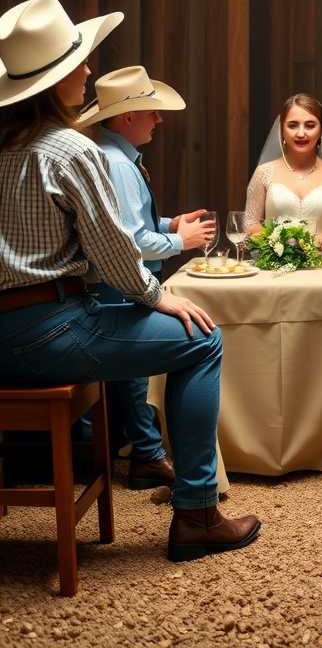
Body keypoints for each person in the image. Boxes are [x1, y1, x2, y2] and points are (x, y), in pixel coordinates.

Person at [0, 0, 260, 562]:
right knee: (204, 339)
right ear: (58, 77)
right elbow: (117, 256)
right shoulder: (71, 150)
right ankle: (196, 514)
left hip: (4, 338)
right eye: (80, 62)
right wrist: (158, 295)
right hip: (50, 335)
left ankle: (152, 462)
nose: (89, 71)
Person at [79, 65, 216, 490]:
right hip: (118, 282)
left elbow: (136, 222)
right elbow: (129, 242)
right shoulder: (118, 165)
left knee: (131, 376)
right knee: (137, 376)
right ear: (127, 118)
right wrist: (182, 242)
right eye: (151, 111)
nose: (159, 119)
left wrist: (173, 223)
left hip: (117, 280)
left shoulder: (119, 157)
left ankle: (144, 453)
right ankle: (149, 456)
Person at [245, 93, 322, 256]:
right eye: (293, 125)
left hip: (320, 266)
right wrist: (276, 243)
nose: (301, 133)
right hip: (273, 268)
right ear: (282, 129)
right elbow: (250, 222)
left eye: (310, 125)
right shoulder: (264, 172)